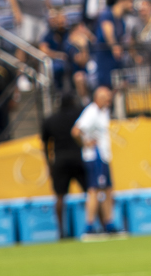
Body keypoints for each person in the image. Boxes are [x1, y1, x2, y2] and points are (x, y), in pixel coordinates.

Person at [42, 79, 89, 238]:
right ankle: (97, 225)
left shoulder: (51, 119)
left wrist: (49, 164)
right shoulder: (80, 114)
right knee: (91, 192)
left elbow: (45, 145)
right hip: (79, 157)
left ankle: (61, 231)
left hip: (60, 160)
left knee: (60, 196)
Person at [74, 82, 120, 235]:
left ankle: (109, 223)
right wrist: (85, 143)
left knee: (107, 190)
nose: (108, 100)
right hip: (95, 157)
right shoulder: (91, 112)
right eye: (104, 97)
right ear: (96, 98)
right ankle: (89, 225)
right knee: (94, 190)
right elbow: (76, 131)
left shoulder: (103, 111)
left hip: (104, 156)